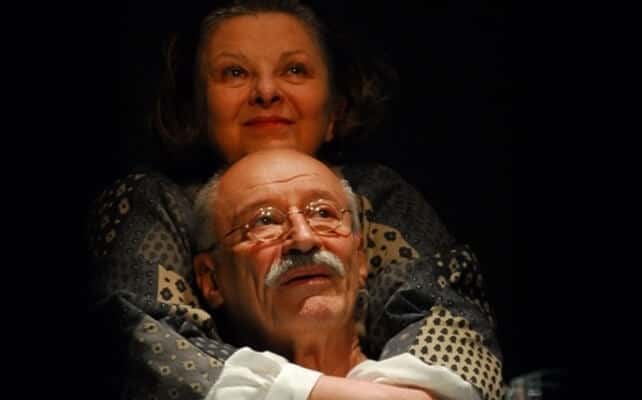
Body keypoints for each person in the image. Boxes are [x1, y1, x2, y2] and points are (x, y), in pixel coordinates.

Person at [87, 1, 503, 399]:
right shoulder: (155, 203)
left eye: (294, 69)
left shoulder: (378, 195)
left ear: (336, 108)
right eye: (235, 72)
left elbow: (449, 323)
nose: (266, 91)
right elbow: (146, 344)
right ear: (194, 109)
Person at [192, 148, 482, 400]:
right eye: (264, 220)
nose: (304, 239)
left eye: (323, 213)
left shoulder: (444, 389)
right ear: (211, 279)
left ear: (359, 259)